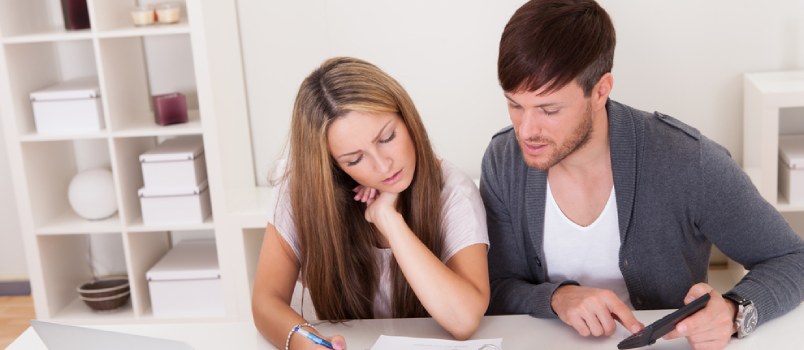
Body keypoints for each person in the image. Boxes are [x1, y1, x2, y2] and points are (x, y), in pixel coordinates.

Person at [481, 1, 804, 349]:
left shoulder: (686, 160)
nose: (526, 130)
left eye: (549, 109)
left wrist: (733, 309)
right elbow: (497, 285)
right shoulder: (504, 160)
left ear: (601, 90)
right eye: (515, 104)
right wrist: (557, 298)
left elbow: (792, 259)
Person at [252, 57, 490, 349]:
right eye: (355, 159)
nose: (383, 165)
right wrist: (308, 344)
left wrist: (390, 220)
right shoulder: (300, 192)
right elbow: (266, 301)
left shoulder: (453, 191)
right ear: (333, 166)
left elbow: (464, 320)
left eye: (387, 137)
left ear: (407, 118)